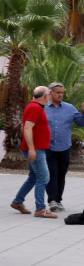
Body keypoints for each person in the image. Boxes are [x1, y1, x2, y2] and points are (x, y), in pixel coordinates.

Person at [10, 86, 57, 219]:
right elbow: (27, 128)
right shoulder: (36, 108)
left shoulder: (34, 107)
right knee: (44, 177)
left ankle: (17, 202)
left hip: (37, 148)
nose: (50, 97)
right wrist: (32, 149)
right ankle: (40, 209)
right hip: (36, 149)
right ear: (45, 97)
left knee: (34, 177)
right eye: (49, 94)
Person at [44, 82, 84, 212]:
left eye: (62, 92)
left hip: (64, 147)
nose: (60, 95)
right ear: (51, 93)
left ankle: (58, 200)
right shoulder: (43, 108)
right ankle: (52, 200)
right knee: (52, 174)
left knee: (61, 174)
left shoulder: (70, 108)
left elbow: (81, 122)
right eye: (58, 92)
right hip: (48, 147)